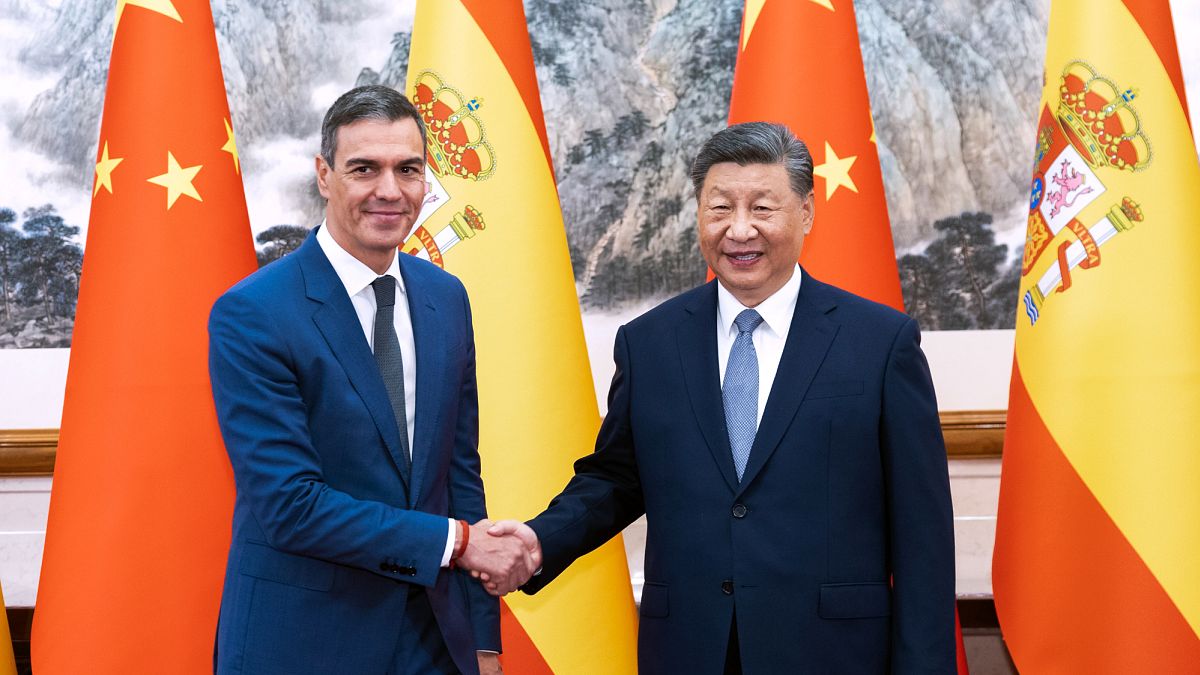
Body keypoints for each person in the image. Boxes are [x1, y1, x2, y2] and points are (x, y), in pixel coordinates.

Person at [488, 122, 956, 673]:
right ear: (698, 215)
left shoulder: (880, 342)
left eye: (762, 208)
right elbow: (616, 478)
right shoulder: (649, 343)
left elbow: (922, 533)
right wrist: (539, 540)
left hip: (833, 652)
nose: (739, 230)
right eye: (719, 209)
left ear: (805, 212)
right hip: (690, 648)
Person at [208, 85, 533, 675]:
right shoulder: (254, 312)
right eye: (365, 169)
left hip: (435, 643)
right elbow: (290, 506)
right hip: (304, 645)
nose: (390, 190)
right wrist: (458, 544)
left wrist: (484, 640)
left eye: (408, 169)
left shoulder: (445, 298)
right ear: (324, 176)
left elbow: (459, 474)